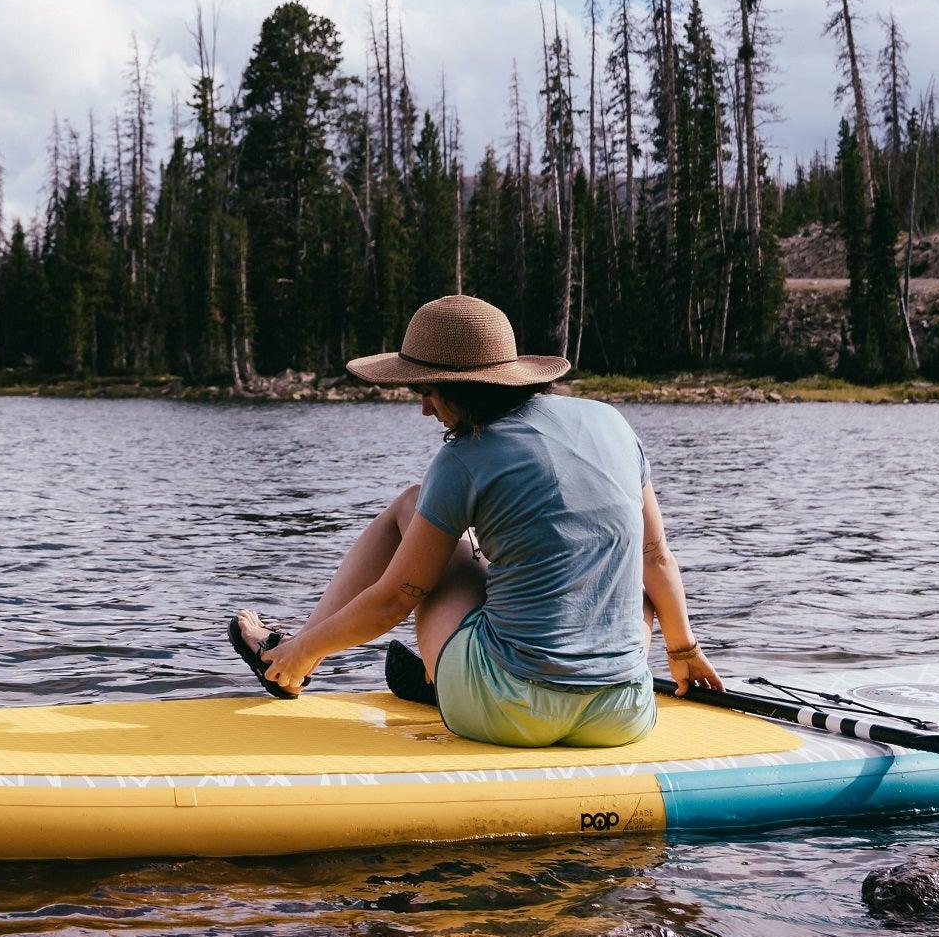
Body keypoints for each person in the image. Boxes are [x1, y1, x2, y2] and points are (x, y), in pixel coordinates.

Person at [230, 294, 723, 747]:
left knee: (411, 506)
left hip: (510, 710)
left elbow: (397, 598)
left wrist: (309, 648)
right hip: (623, 715)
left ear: (462, 388)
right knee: (629, 576)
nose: (424, 409)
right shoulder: (611, 421)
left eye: (427, 391)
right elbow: (656, 556)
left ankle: (291, 662)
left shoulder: (464, 457)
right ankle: (437, 676)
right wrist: (683, 652)